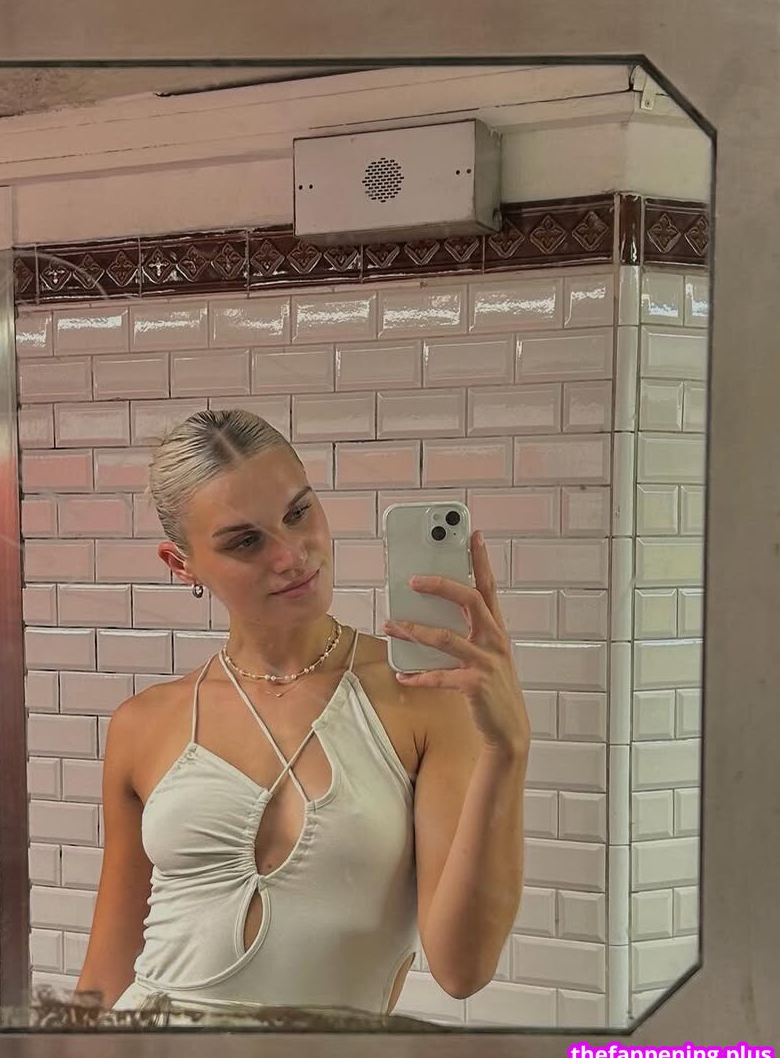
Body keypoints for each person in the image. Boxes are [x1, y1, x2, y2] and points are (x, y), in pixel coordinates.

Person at [74, 409, 530, 1017]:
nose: (291, 555)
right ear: (181, 564)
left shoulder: (423, 696)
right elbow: (103, 978)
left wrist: (507, 750)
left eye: (298, 513)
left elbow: (462, 969)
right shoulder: (144, 724)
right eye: (246, 541)